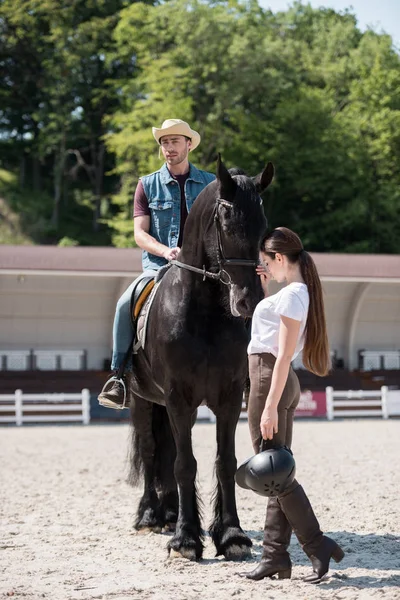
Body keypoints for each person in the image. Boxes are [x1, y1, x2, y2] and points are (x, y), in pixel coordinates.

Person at [239, 227, 344, 584]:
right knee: (275, 473)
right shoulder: (293, 293)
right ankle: (274, 556)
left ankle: (316, 545)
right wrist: (266, 291)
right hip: (277, 379)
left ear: (280, 258)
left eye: (268, 262)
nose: (266, 267)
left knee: (273, 475)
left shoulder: (293, 296)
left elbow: (282, 355)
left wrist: (268, 406)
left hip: (271, 379)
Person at [98, 119, 215, 409]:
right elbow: (140, 233)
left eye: (175, 141)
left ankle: (247, 373)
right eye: (164, 142)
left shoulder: (212, 183)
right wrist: (165, 252)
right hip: (158, 267)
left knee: (239, 298)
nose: (168, 147)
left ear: (189, 144)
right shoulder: (146, 185)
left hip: (206, 269)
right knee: (125, 303)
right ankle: (119, 377)